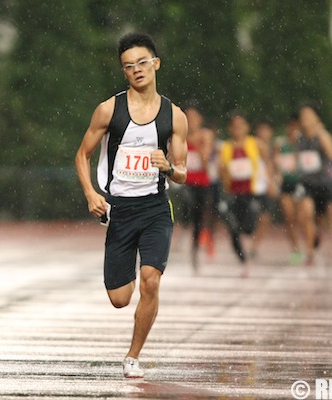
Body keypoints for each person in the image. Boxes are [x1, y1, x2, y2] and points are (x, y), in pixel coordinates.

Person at [74, 33, 187, 378]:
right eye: (128, 66)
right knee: (120, 298)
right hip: (120, 210)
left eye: (142, 62)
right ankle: (128, 286)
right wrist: (92, 194)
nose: (136, 70)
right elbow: (82, 155)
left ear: (155, 64)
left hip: (155, 209)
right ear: (124, 72)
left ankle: (133, 356)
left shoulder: (175, 116)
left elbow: (182, 173)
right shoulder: (109, 110)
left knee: (151, 280)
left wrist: (168, 167)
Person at [218, 111, 261, 277]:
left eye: (241, 126)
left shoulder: (255, 143)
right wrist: (224, 172)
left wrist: (271, 179)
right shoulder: (226, 147)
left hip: (251, 192)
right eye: (235, 127)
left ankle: (250, 250)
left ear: (247, 127)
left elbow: (269, 162)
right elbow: (221, 169)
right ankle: (244, 260)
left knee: (249, 226)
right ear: (230, 129)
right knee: (233, 228)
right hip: (232, 193)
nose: (238, 130)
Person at [295, 104, 332, 266]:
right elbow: (298, 157)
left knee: (317, 219)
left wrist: (323, 137)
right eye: (303, 116)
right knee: (305, 214)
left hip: (321, 183)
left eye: (308, 115)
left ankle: (316, 233)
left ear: (316, 118)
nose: (305, 119)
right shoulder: (299, 137)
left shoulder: (322, 136)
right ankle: (310, 252)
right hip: (306, 183)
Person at [183, 105, 214, 272]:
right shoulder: (179, 135)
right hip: (185, 182)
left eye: (194, 118)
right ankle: (184, 227)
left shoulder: (206, 136)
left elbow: (205, 161)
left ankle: (196, 249)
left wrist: (196, 143)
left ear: (200, 119)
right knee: (187, 205)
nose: (191, 121)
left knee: (199, 219)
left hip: (202, 183)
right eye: (188, 117)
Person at [274, 115, 303, 264]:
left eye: (296, 127)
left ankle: (307, 243)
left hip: (301, 185)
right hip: (286, 185)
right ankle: (295, 248)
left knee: (300, 218)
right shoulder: (281, 143)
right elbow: (275, 162)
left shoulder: (303, 144)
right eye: (291, 127)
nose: (293, 130)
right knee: (289, 217)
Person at [250, 119, 278, 260]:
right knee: (254, 217)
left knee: (265, 218)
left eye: (266, 130)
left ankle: (254, 246)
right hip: (253, 187)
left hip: (265, 187)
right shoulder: (252, 144)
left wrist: (272, 182)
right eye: (261, 130)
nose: (264, 133)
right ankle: (250, 244)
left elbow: (272, 167)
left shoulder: (273, 148)